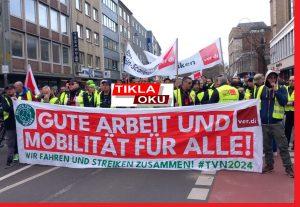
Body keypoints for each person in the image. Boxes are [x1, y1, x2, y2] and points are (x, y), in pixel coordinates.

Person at [256, 70, 293, 177]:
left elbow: (284, 102)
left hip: (276, 123)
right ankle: (269, 165)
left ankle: (288, 168)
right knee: (267, 147)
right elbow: (256, 103)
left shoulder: (282, 88)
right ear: (267, 78)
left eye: (274, 78)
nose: (272, 79)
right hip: (264, 123)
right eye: (270, 77)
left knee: (283, 146)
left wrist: (276, 91)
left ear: (277, 78)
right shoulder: (261, 89)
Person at [1, 85, 18, 166]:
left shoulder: (18, 97)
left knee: (19, 141)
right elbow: (6, 108)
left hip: (19, 124)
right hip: (10, 124)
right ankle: (9, 161)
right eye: (8, 90)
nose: (9, 91)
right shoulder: (4, 98)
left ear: (14, 90)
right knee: (11, 143)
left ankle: (17, 157)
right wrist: (14, 103)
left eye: (11, 89)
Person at [284, 76, 294, 150]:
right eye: (290, 80)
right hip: (288, 112)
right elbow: (283, 98)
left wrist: (292, 103)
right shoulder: (286, 88)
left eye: (293, 80)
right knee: (287, 129)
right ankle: (286, 143)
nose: (291, 82)